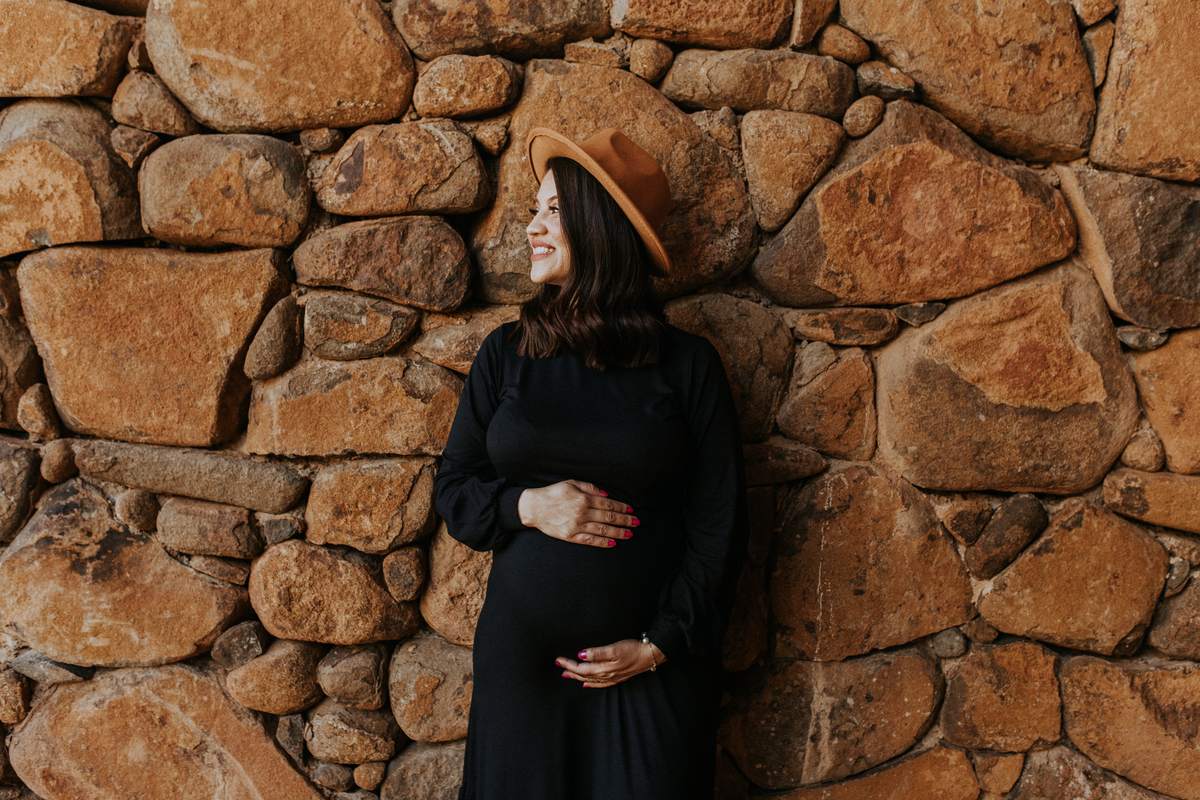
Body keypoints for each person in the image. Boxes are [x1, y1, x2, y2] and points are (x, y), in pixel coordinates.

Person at [433, 127, 748, 800]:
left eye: (553, 210)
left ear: (599, 225)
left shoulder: (688, 366)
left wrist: (660, 644)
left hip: (653, 669)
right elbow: (454, 489)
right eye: (535, 209)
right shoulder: (505, 355)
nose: (532, 226)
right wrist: (528, 505)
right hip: (524, 671)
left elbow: (720, 526)